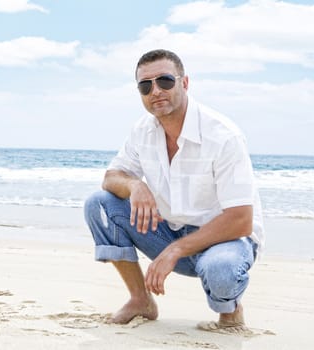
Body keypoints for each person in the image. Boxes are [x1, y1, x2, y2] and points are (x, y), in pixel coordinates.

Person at [84, 49, 264, 333]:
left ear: (185, 83)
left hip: (223, 241)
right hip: (166, 233)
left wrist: (175, 249)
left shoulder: (223, 136)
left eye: (165, 81)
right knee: (100, 203)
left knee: (221, 271)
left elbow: (241, 220)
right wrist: (135, 185)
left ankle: (230, 311)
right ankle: (140, 300)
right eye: (146, 85)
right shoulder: (142, 130)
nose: (155, 91)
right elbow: (111, 178)